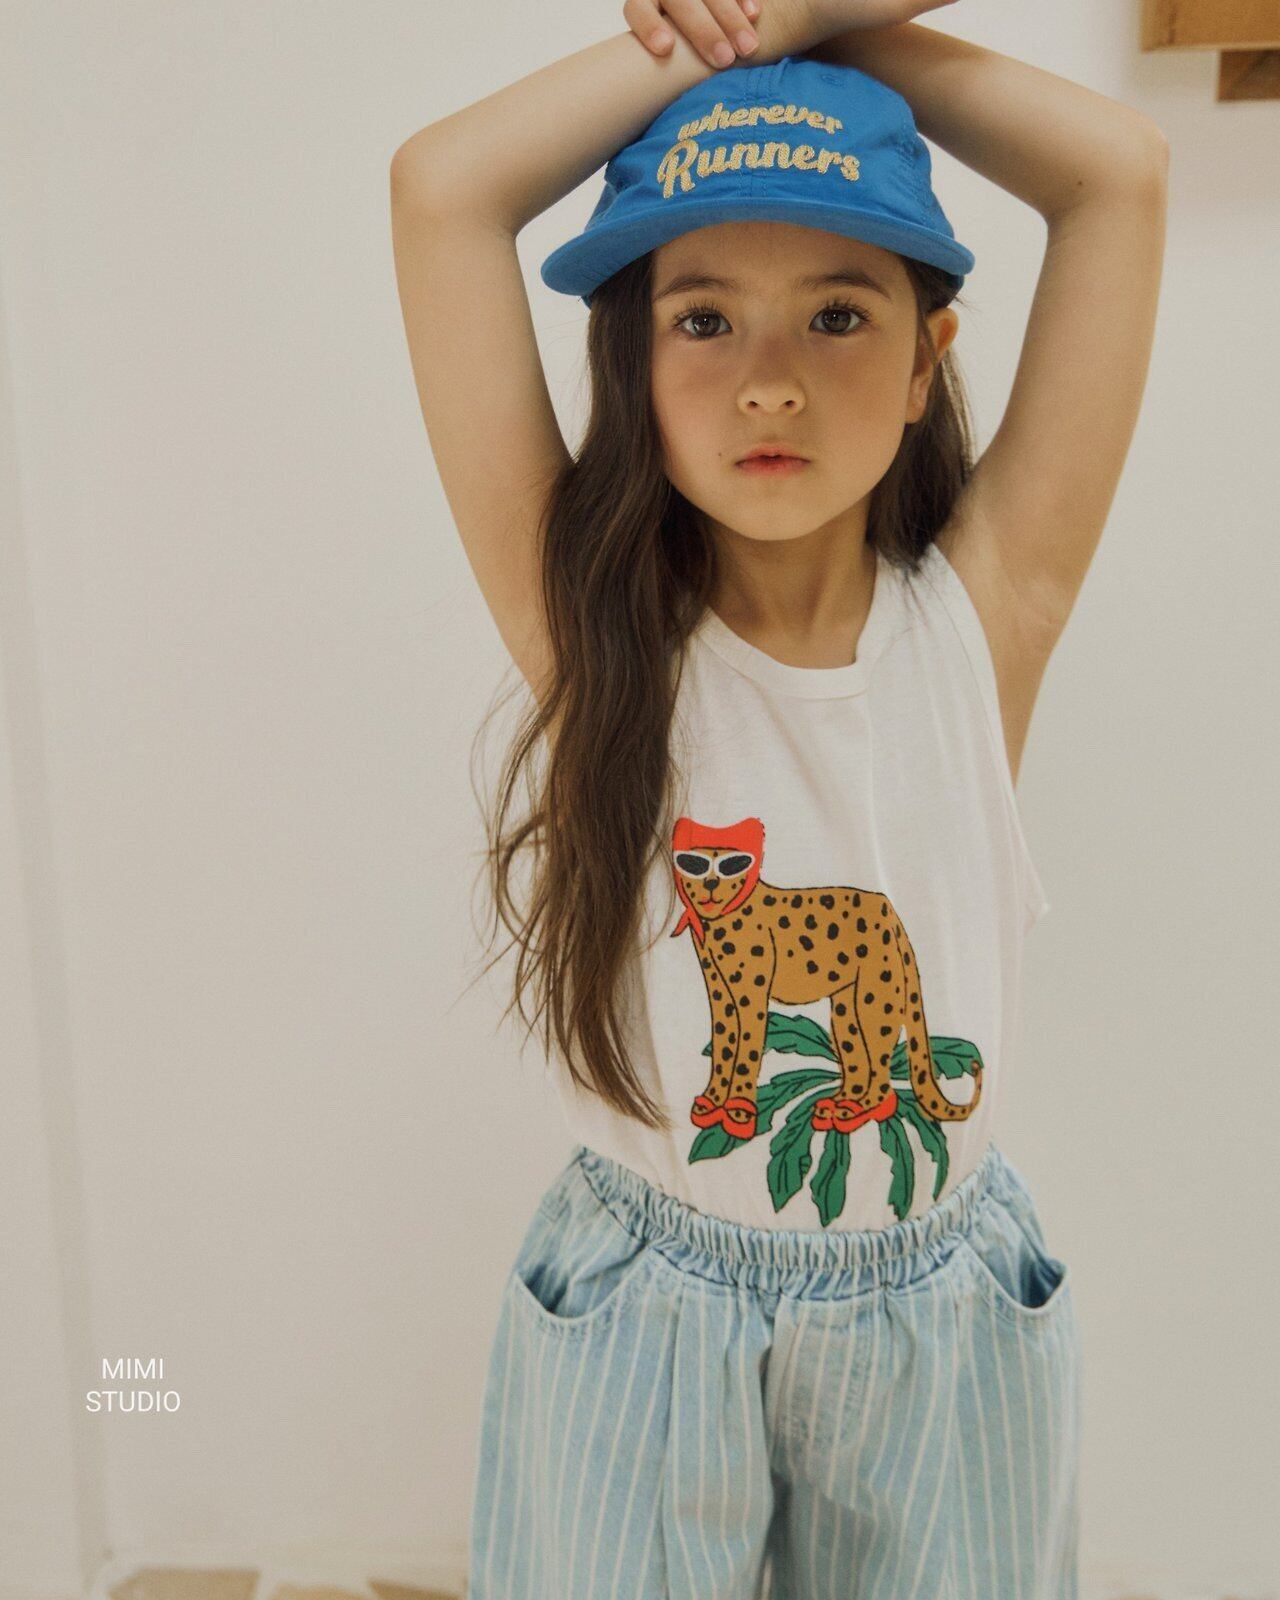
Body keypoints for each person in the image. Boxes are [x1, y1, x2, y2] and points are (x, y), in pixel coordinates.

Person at [389, 0, 1167, 1592]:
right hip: (647, 1310)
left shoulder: (981, 623)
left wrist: (814, 30)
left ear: (926, 360)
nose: (768, 384)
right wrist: (738, 46)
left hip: (937, 1316)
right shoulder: (600, 635)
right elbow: (442, 191)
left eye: (836, 315)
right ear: (632, 355)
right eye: (702, 319)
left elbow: (1121, 176)